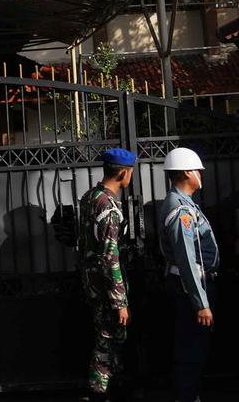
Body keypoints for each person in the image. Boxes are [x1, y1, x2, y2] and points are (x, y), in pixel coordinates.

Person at [158, 147, 219, 402]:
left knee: (194, 350)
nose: (201, 175)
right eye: (198, 171)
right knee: (190, 352)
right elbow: (187, 260)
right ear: (186, 173)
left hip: (190, 287)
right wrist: (201, 303)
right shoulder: (181, 209)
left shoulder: (185, 203)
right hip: (190, 289)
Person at [78, 148, 136, 401]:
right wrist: (120, 302)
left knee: (107, 336)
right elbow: (109, 257)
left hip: (91, 281)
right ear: (124, 173)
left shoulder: (91, 196)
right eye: (131, 173)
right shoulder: (109, 208)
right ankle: (100, 391)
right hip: (105, 286)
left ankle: (113, 387)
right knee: (107, 338)